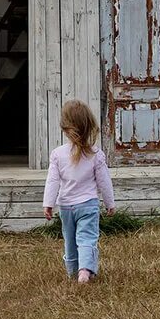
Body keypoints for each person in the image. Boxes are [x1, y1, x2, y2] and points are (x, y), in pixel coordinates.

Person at [42, 99, 116, 284]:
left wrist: (48, 204)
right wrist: (110, 203)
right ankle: (85, 270)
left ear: (64, 128)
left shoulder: (57, 154)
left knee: (70, 240)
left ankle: (72, 272)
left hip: (66, 207)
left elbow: (52, 181)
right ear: (89, 125)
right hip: (88, 205)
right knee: (87, 238)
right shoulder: (95, 154)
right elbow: (104, 182)